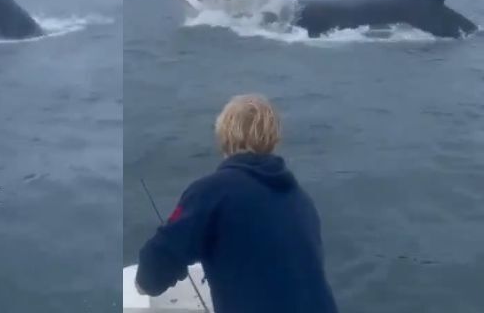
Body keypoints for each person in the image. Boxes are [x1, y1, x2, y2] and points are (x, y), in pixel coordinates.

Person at [135, 94, 338, 313]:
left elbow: (153, 269)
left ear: (224, 136)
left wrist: (143, 283)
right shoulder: (301, 200)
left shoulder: (212, 192)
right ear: (274, 139)